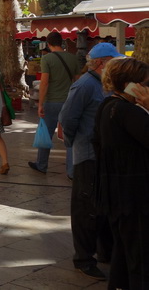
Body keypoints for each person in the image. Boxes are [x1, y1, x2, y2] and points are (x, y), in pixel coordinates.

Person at [58, 42, 120, 281]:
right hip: (87, 156)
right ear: (102, 63)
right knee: (86, 209)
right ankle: (83, 258)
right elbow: (67, 119)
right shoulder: (84, 85)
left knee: (103, 207)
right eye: (113, 62)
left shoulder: (103, 84)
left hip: (102, 156)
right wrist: (76, 146)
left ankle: (105, 251)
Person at [93, 57, 149, 290]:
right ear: (131, 84)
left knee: (124, 251)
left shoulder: (107, 106)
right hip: (134, 194)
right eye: (145, 83)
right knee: (139, 254)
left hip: (116, 191)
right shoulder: (127, 111)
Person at [29, 31, 81, 176]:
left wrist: (40, 104)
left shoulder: (47, 59)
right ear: (61, 42)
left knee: (47, 134)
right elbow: (78, 81)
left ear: (48, 43)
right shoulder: (72, 58)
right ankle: (71, 171)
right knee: (69, 136)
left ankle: (42, 164)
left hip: (51, 102)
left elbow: (44, 82)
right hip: (69, 102)